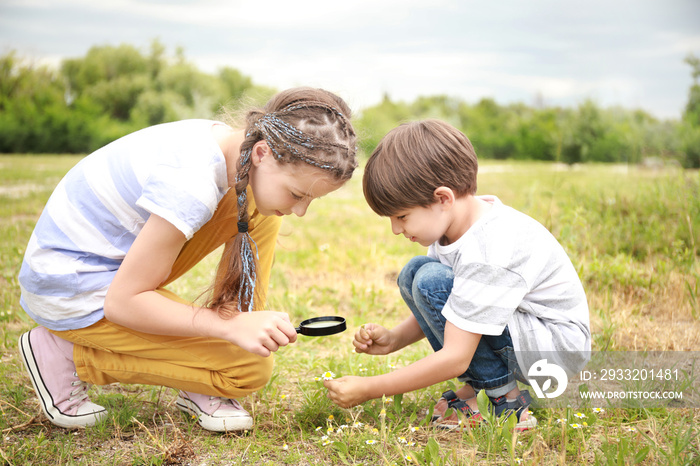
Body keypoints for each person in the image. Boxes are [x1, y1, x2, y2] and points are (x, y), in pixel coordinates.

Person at [18, 87, 358, 432]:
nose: (300, 211)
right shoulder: (191, 184)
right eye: (298, 194)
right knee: (247, 369)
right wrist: (226, 328)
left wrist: (236, 322)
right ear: (262, 152)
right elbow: (123, 302)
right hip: (72, 291)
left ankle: (226, 334)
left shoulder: (224, 148)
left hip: (111, 271)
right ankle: (62, 352)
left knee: (264, 210)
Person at [324, 119, 590, 430]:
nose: (396, 229)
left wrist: (370, 388)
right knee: (416, 273)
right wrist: (396, 339)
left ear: (443, 198)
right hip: (522, 332)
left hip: (551, 350)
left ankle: (505, 401)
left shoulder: (489, 248)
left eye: (402, 216)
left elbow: (456, 356)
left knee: (429, 280)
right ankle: (482, 387)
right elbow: (452, 305)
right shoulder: (455, 228)